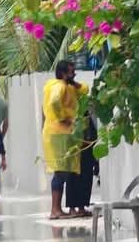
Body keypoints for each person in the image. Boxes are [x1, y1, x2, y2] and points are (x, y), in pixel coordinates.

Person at [41, 60, 86, 220]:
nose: (74, 74)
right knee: (60, 172)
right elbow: (54, 102)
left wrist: (73, 82)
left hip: (58, 132)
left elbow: (84, 90)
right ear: (63, 73)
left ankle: (57, 209)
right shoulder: (59, 86)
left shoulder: (61, 86)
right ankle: (55, 209)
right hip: (59, 133)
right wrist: (63, 118)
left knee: (63, 172)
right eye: (71, 72)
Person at [65, 101, 99, 218]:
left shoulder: (87, 107)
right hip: (75, 144)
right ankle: (72, 208)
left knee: (86, 175)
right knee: (73, 176)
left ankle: (81, 207)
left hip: (87, 144)